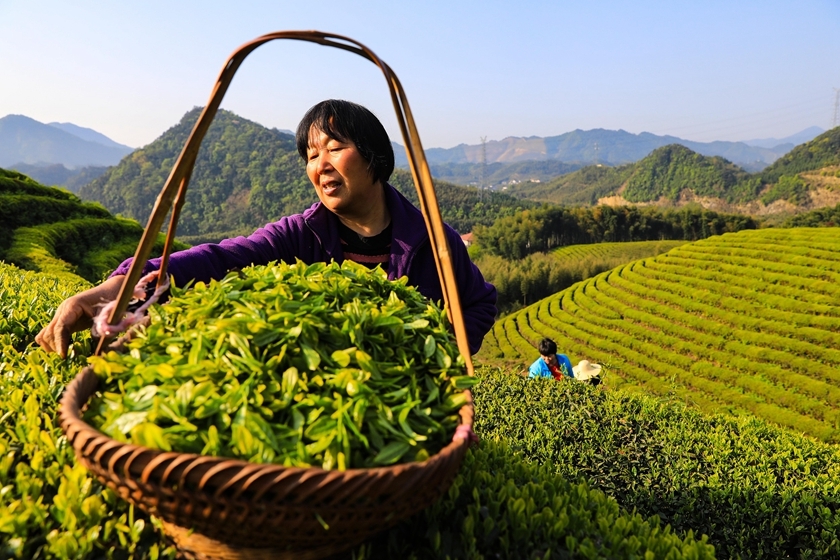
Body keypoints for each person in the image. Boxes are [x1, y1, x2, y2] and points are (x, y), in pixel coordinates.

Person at [36, 100, 497, 357]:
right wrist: (104, 293)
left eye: (335, 148)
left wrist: (442, 353)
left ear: (375, 156)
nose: (320, 164)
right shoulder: (301, 235)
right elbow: (219, 258)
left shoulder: (433, 242)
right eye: (311, 156)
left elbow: (479, 301)